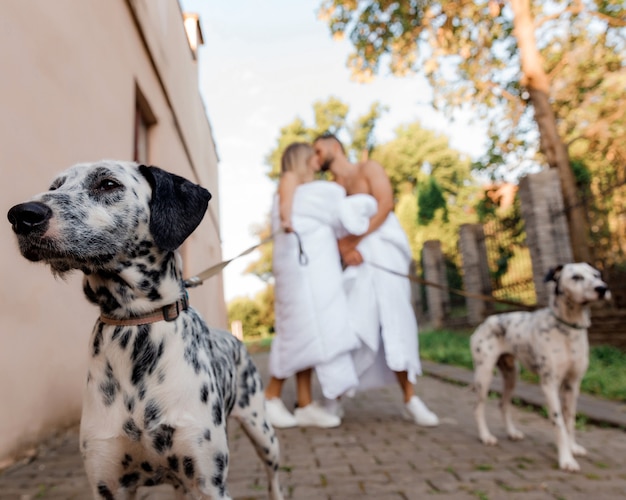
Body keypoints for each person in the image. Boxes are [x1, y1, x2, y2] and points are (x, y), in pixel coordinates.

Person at [313, 132, 440, 427]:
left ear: (335, 146)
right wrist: (342, 249)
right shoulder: (331, 189)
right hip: (355, 263)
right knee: (350, 322)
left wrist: (352, 243)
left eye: (318, 151)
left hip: (383, 253)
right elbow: (327, 232)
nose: (316, 158)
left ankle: (411, 399)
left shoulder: (368, 169)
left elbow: (385, 205)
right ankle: (336, 398)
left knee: (395, 321)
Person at [265, 142, 376, 428]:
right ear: (301, 159)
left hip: (306, 267)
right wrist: (288, 220)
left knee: (309, 337)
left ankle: (304, 404)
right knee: (298, 332)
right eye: (312, 156)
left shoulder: (311, 191)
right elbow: (286, 205)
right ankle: (270, 398)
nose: (318, 161)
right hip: (298, 269)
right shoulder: (290, 179)